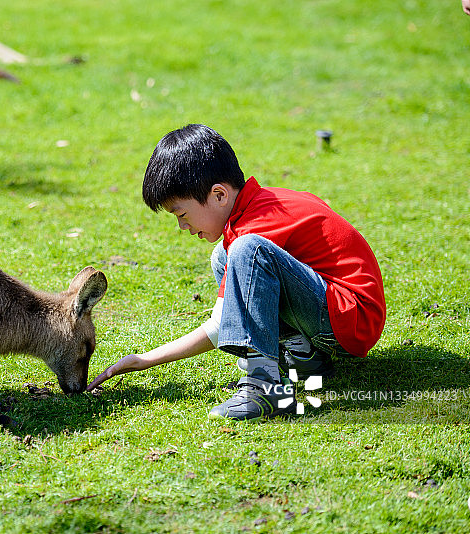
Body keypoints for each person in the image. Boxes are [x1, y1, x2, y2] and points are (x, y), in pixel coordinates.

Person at [87, 124, 386, 421]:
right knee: (225, 255)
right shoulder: (266, 203)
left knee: (247, 251)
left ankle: (264, 385)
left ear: (219, 194)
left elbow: (220, 324)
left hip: (350, 319)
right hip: (341, 313)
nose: (182, 226)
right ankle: (305, 355)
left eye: (181, 214)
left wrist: (146, 359)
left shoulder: (256, 227)